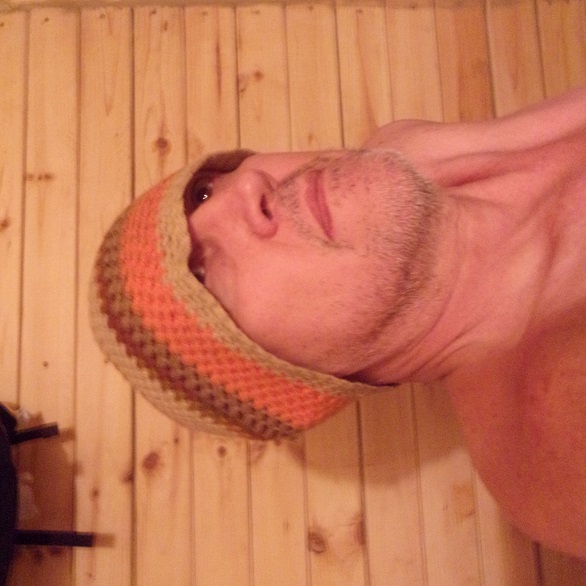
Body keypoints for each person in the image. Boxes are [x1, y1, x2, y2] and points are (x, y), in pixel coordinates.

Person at [184, 87, 586, 559]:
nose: (245, 187)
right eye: (200, 277)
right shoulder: (554, 432)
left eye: (203, 190)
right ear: (294, 380)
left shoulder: (410, 149)